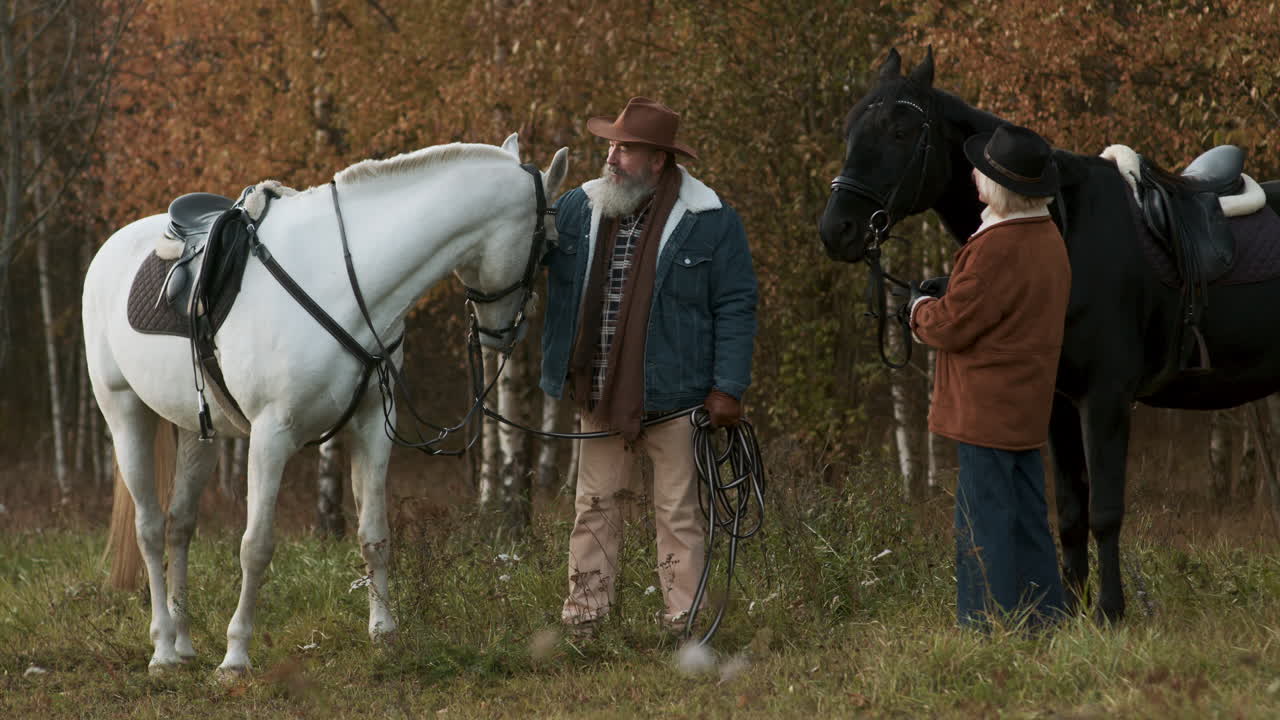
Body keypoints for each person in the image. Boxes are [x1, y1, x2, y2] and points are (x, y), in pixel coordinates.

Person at [540, 97, 758, 636]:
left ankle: (687, 623)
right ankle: (586, 622)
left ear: (658, 160)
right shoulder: (576, 208)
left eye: (626, 148)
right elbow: (528, 260)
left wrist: (727, 387)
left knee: (679, 516)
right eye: (611, 145)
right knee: (594, 507)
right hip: (599, 392)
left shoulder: (710, 221)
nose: (612, 157)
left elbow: (736, 303)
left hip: (680, 397)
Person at [909, 123, 1070, 630]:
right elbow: (996, 304)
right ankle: (1044, 618)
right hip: (1024, 404)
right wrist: (951, 289)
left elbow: (952, 326)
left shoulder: (997, 245)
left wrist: (917, 309)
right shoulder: (1046, 236)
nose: (975, 174)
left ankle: (986, 626)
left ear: (1000, 186)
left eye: (984, 171)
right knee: (1026, 519)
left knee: (981, 524)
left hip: (984, 408)